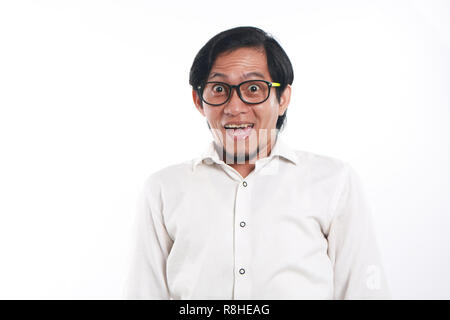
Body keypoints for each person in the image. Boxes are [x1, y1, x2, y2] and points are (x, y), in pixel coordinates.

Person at [125, 26, 390, 299]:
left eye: (253, 88)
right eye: (218, 89)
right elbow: (143, 292)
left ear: (283, 98)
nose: (235, 107)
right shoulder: (164, 189)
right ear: (198, 100)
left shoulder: (334, 181)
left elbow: (363, 290)